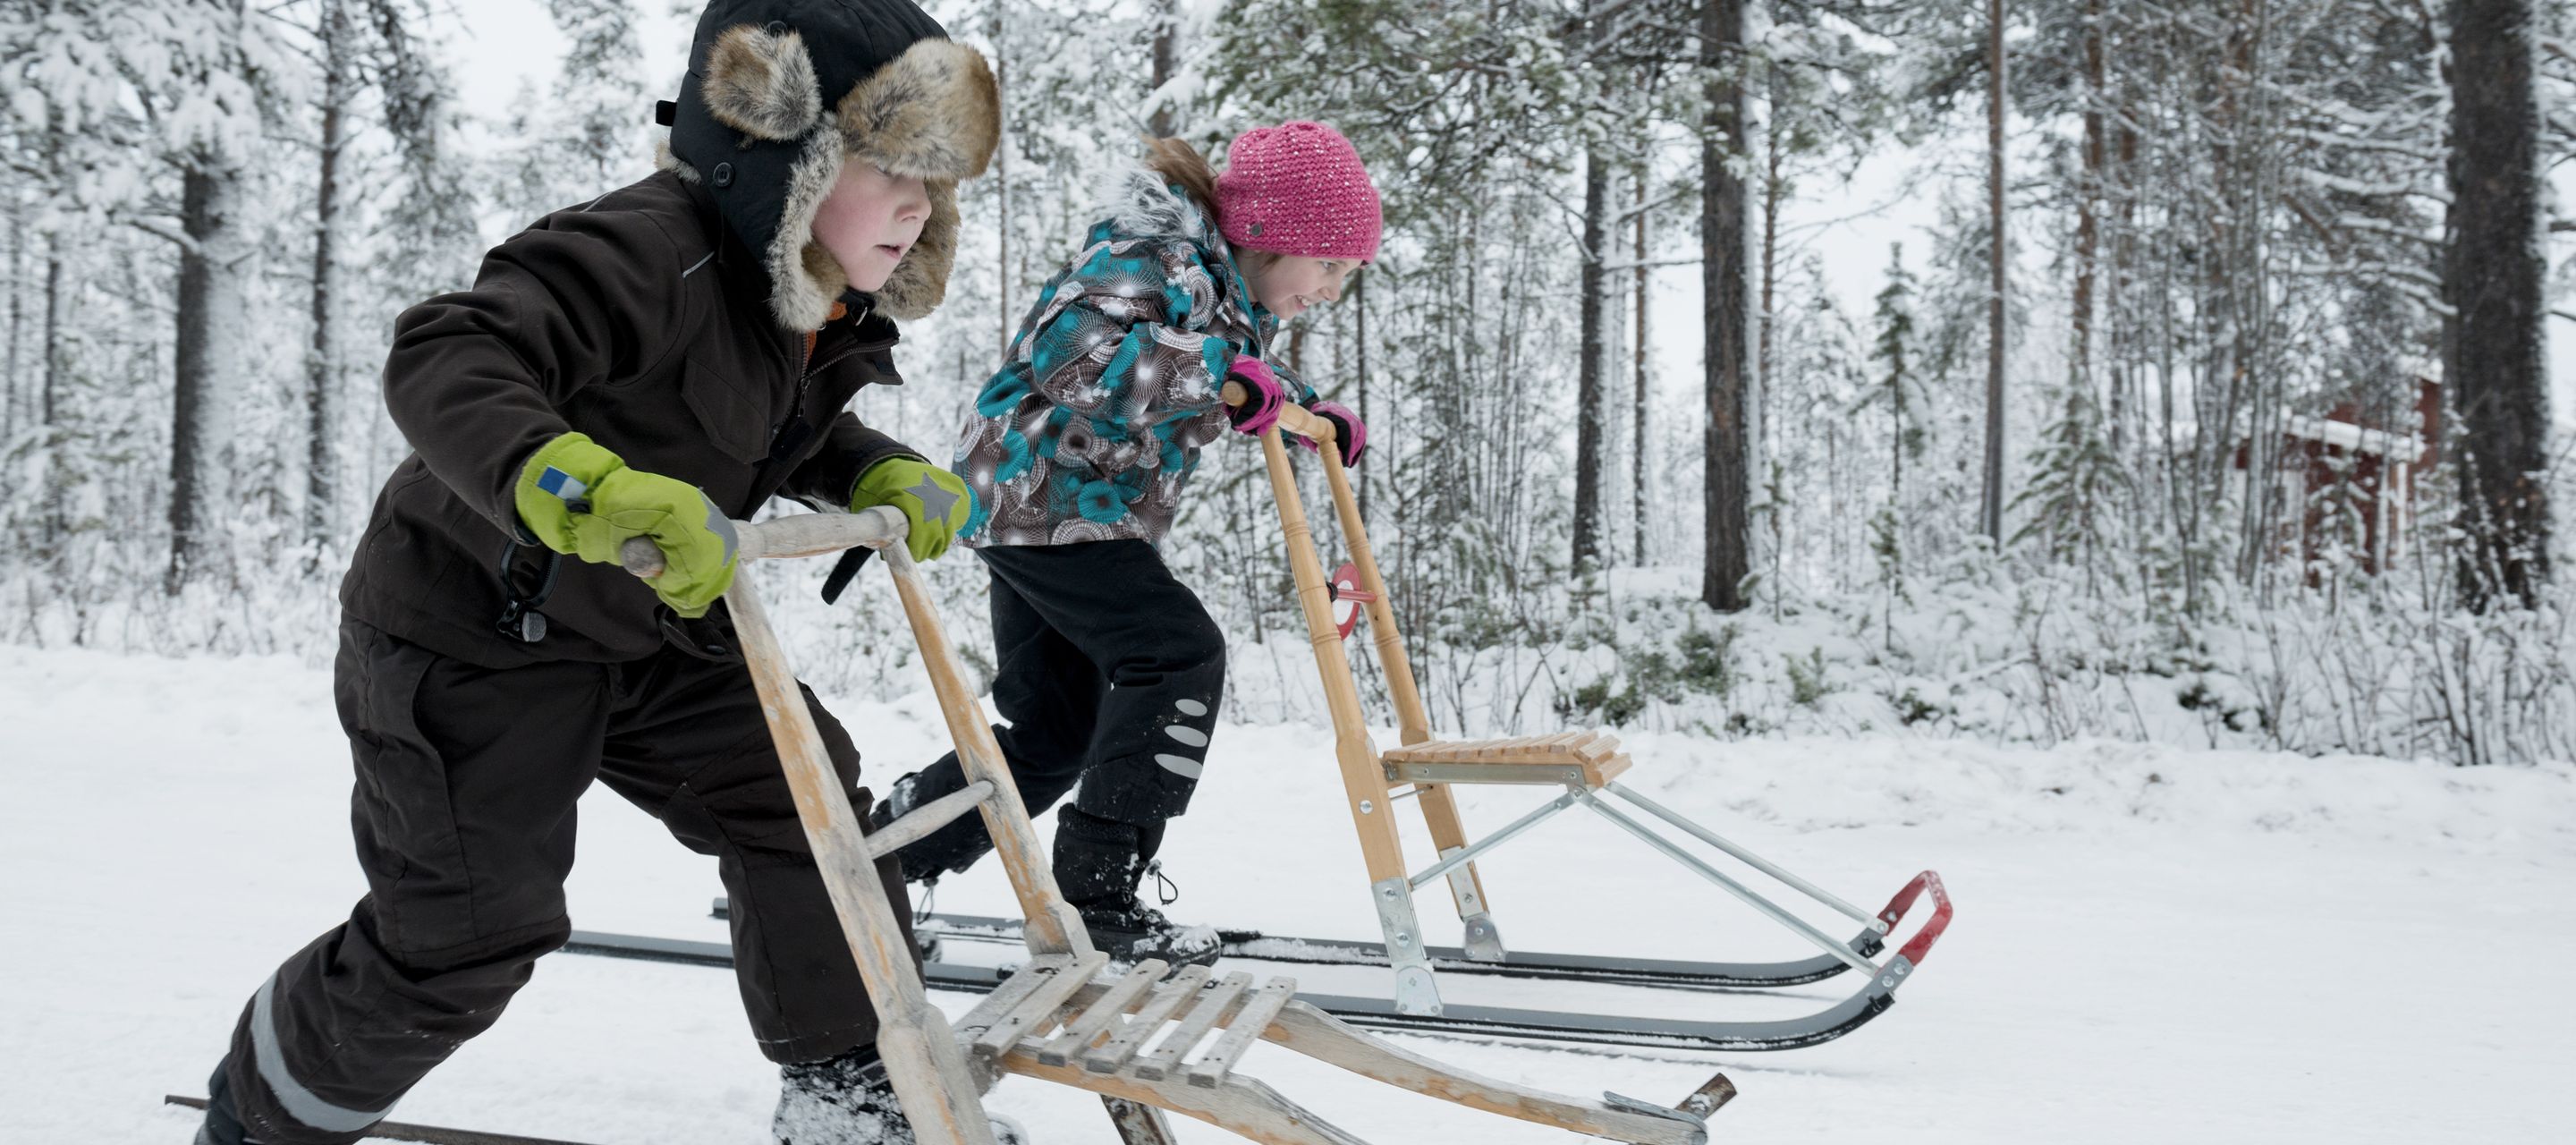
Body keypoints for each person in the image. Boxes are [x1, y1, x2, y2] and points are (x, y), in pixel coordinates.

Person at [188, 3, 1003, 1142]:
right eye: (888, 165)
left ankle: (852, 1096)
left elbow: (761, 426)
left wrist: (875, 469)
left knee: (810, 804)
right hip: (481, 621)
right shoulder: (645, 247)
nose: (919, 204)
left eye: (939, 179)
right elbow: (450, 349)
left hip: (654, 625)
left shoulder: (807, 298)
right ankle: (263, 1112)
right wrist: (578, 488)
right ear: (779, 153)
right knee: (469, 934)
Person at [869, 123, 1381, 965]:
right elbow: (1068, 355)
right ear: (1266, 237)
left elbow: (1223, 367)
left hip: (1044, 508)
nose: (1331, 289)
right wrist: (1217, 372)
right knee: (1176, 654)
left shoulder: (1223, 294)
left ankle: (888, 852)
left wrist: (1301, 408)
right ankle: (1100, 892)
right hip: (1051, 497)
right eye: (1327, 265)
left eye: (1346, 275)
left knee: (1055, 732)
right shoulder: (1155, 257)